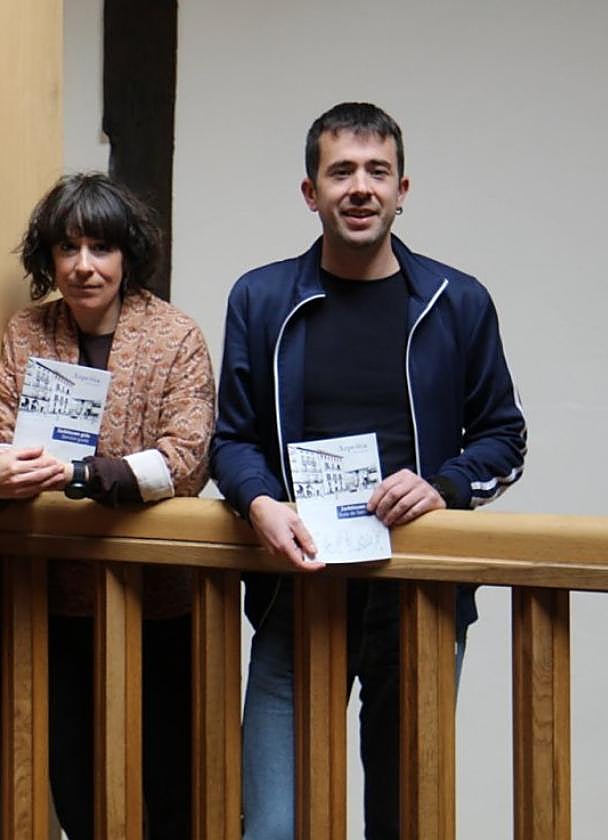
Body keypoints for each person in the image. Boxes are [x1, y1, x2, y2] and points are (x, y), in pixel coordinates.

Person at [210, 102, 527, 839]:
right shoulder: (261, 300)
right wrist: (260, 504)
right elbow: (232, 441)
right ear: (310, 191)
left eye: (377, 171)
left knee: (405, 821)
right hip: (299, 592)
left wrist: (442, 484)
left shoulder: (457, 302)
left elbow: (503, 436)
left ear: (403, 188)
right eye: (341, 171)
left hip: (416, 599)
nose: (360, 187)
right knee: (274, 828)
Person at [0, 172, 215, 839]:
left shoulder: (175, 336)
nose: (82, 266)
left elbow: (183, 462)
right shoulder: (28, 331)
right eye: (67, 248)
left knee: (168, 788)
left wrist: (82, 474)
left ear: (127, 255)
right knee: (74, 788)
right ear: (47, 259)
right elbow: (2, 438)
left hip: (160, 600)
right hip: (57, 601)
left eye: (99, 248)